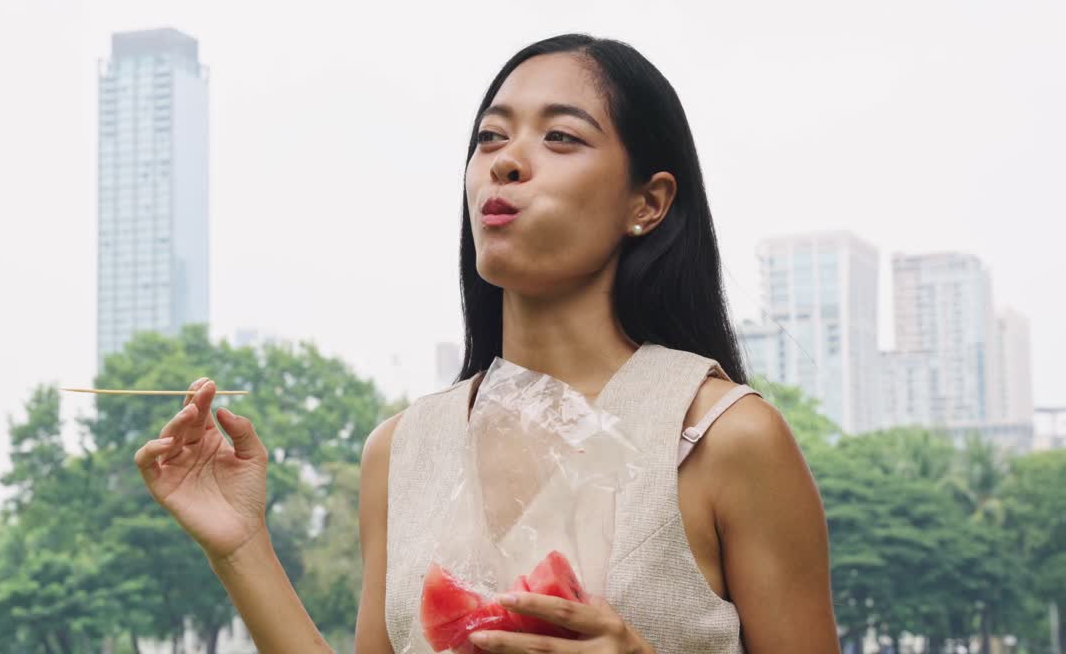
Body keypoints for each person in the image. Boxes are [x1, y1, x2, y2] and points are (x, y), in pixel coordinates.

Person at [133, 34, 840, 653]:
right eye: (490, 138)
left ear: (647, 203)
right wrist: (240, 543)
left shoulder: (722, 436)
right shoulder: (402, 450)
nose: (504, 163)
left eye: (560, 137)